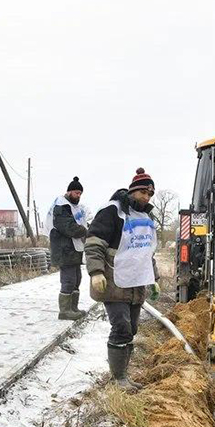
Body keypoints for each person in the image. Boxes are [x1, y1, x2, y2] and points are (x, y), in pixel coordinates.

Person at [85, 168, 160, 392]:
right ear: (133, 191)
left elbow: (147, 251)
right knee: (121, 327)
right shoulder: (112, 212)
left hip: (136, 283)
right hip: (114, 281)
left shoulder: (147, 218)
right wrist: (96, 272)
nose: (146, 198)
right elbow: (94, 243)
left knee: (132, 329)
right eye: (143, 193)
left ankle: (123, 376)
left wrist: (153, 278)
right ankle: (118, 379)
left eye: (150, 195)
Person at [49, 177, 88, 320]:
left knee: (77, 278)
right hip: (64, 249)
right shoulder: (61, 207)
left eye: (80, 193)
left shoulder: (75, 207)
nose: (78, 196)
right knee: (69, 280)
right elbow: (69, 227)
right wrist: (85, 231)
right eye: (76, 193)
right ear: (69, 191)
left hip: (73, 249)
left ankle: (73, 308)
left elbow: (79, 224)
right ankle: (65, 311)